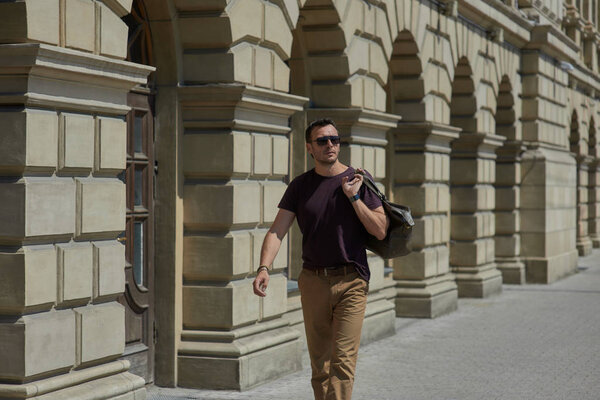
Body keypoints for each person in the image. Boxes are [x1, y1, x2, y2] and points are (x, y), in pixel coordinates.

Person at [252, 118, 389, 400]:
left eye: (335, 140)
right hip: (313, 281)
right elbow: (278, 230)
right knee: (321, 366)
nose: (330, 145)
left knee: (342, 363)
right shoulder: (300, 186)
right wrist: (264, 267)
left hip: (352, 280)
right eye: (322, 141)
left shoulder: (359, 180)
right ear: (309, 148)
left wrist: (353, 198)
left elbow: (379, 228)